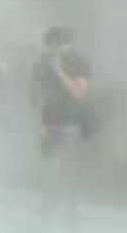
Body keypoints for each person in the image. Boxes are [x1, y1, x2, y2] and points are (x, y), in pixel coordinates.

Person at [30, 26, 97, 158]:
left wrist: (59, 71)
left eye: (57, 45)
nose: (53, 49)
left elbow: (78, 92)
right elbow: (35, 92)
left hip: (71, 125)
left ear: (67, 45)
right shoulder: (43, 62)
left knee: (66, 163)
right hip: (48, 124)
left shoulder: (80, 62)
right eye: (50, 45)